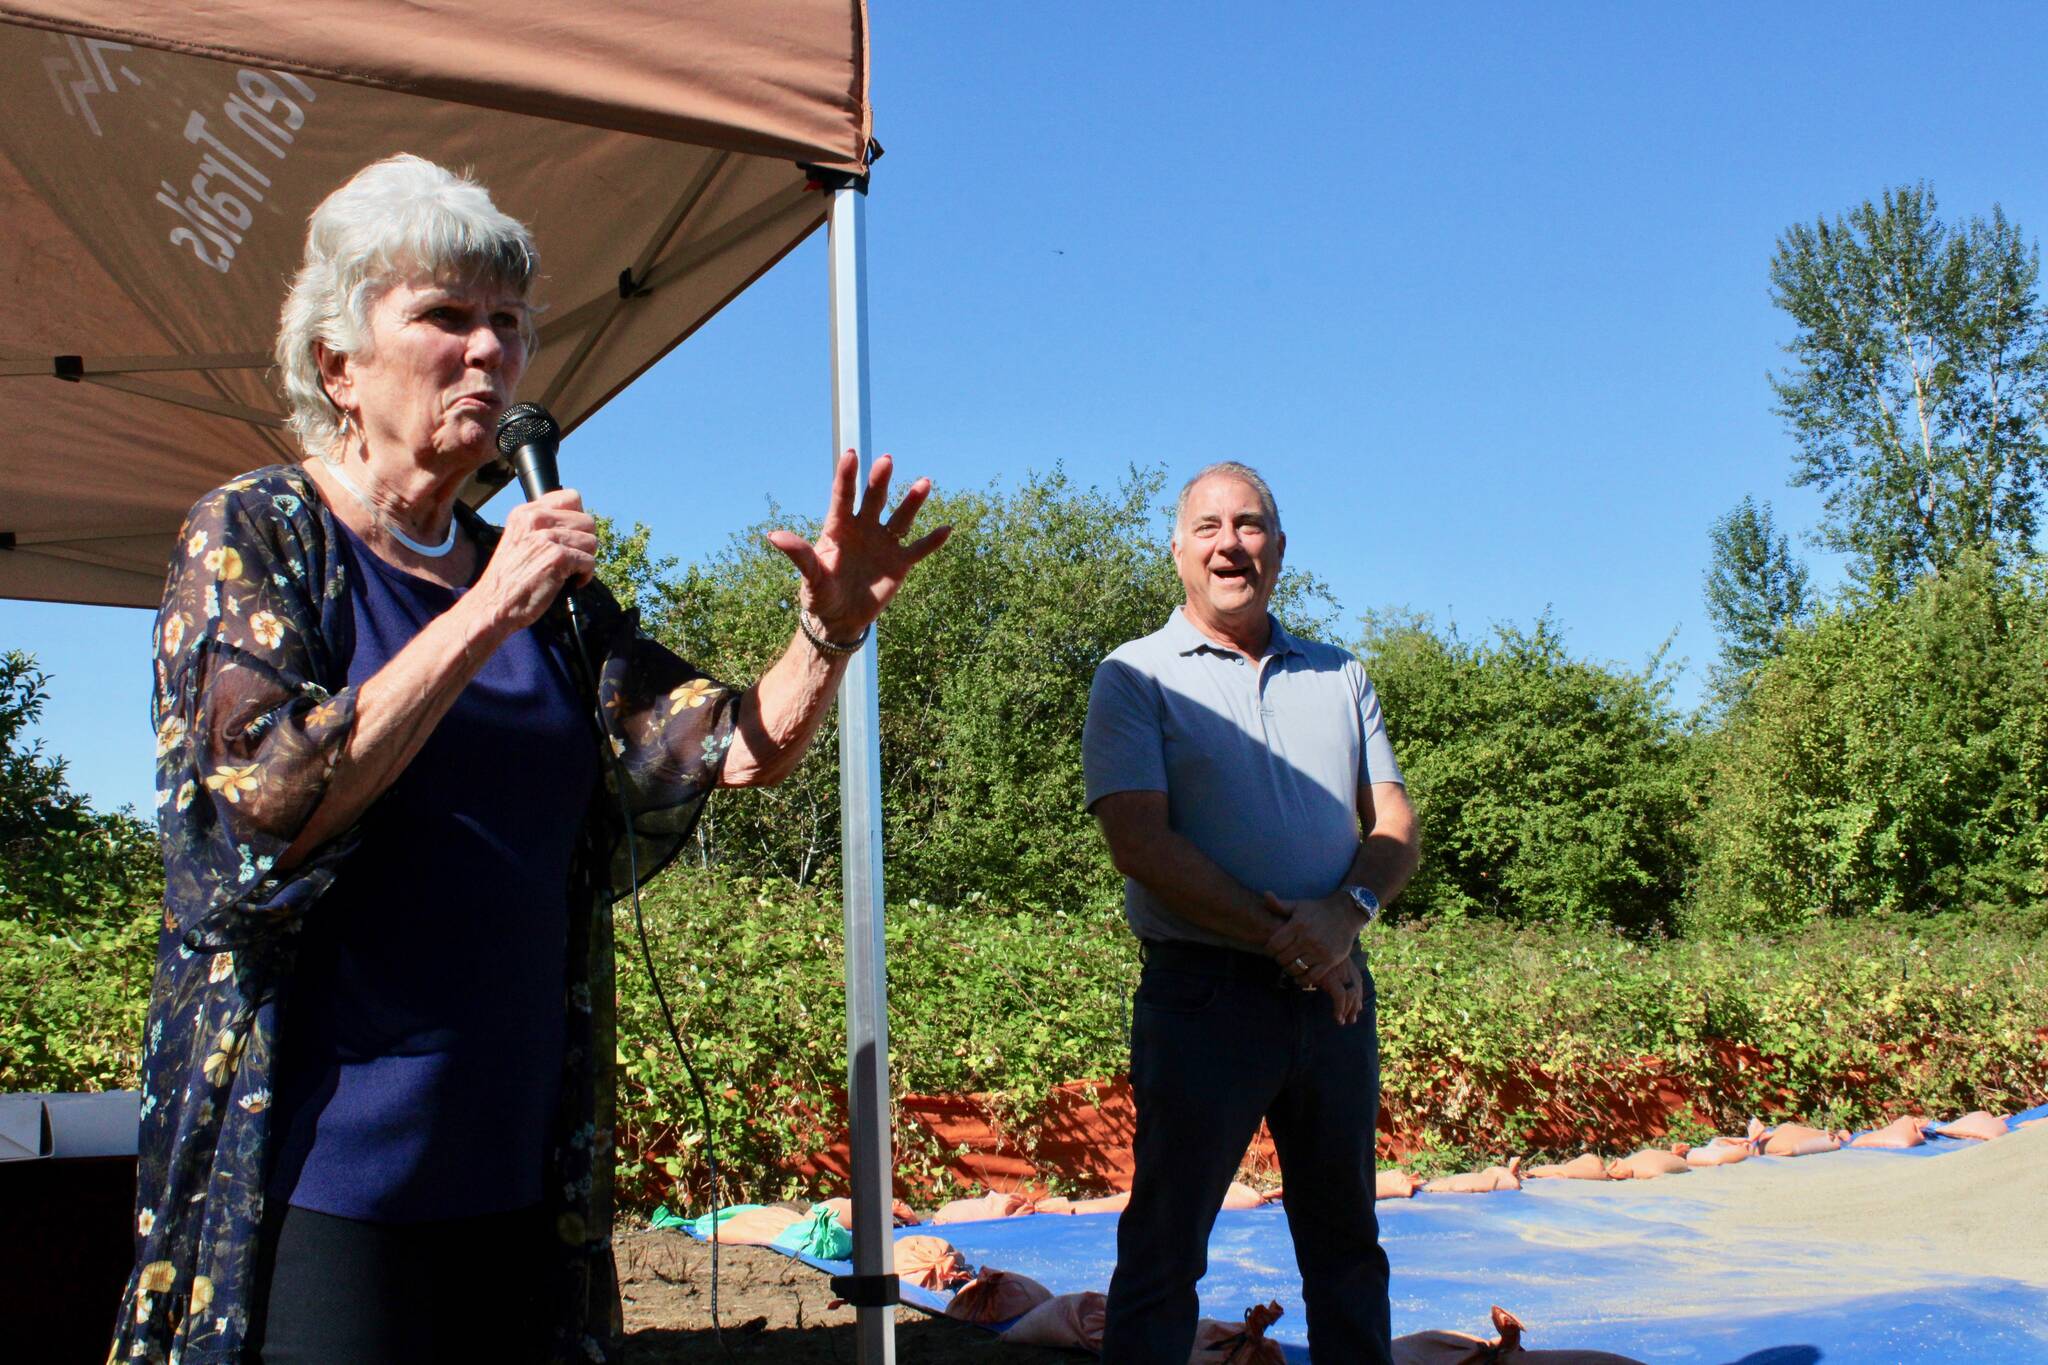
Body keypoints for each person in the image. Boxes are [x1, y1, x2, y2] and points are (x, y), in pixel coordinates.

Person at [111, 154, 948, 1365]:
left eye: (507, 324)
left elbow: (725, 748)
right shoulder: (260, 532)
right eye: (445, 316)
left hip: (515, 1156)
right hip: (321, 1163)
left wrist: (828, 633)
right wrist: (485, 610)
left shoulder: (540, 587)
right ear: (339, 365)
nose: (488, 351)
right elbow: (263, 803)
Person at [1082, 461, 1420, 1364]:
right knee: (1165, 1248)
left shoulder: (1341, 673)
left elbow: (1395, 825)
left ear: (1279, 547)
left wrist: (1346, 915)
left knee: (1348, 1247)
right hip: (1205, 999)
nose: (1230, 544)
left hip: (1334, 1003)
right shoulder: (1134, 675)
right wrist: (1299, 940)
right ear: (1178, 550)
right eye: (1209, 527)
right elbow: (1139, 842)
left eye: (1250, 525)